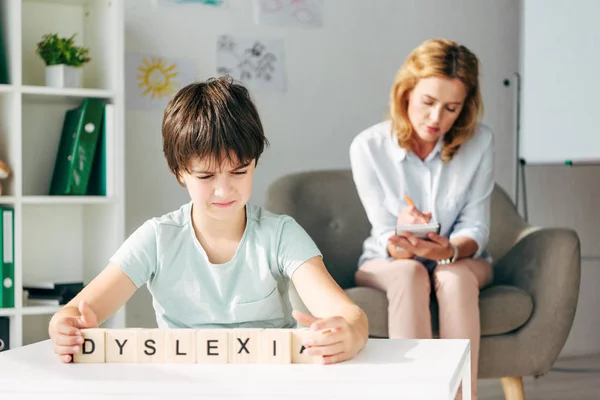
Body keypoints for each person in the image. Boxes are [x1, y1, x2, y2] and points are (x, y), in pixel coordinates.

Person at [49, 76, 368, 365]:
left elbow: (349, 315)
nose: (224, 189)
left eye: (239, 171)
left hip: (268, 379)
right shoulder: (158, 238)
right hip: (184, 380)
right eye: (205, 175)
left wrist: (348, 333)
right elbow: (76, 311)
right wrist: (64, 325)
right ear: (179, 173)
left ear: (254, 164)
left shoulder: (280, 234)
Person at [349, 38, 494, 398]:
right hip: (390, 260)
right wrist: (404, 241)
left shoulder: (480, 142)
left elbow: (477, 226)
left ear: (465, 108)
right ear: (406, 93)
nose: (436, 119)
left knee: (454, 277)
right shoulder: (367, 147)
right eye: (428, 102)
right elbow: (385, 234)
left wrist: (448, 250)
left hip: (460, 258)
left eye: (451, 108)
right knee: (410, 272)